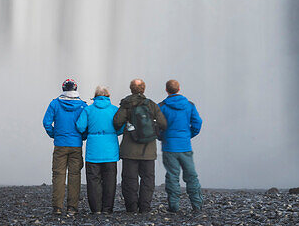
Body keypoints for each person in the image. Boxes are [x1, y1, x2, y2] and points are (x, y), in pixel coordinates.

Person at [113, 78, 167, 214]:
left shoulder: (126, 104)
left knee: (129, 180)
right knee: (148, 179)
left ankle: (131, 208)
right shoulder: (152, 105)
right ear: (143, 89)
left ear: (131, 89)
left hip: (129, 150)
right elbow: (163, 124)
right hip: (148, 151)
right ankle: (145, 208)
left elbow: (117, 122)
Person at [158, 79, 204, 213]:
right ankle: (197, 205)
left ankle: (174, 206)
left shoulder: (161, 106)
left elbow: (156, 126)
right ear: (179, 89)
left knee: (172, 175)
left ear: (166, 90)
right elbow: (198, 123)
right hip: (184, 145)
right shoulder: (189, 105)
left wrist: (162, 137)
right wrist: (188, 135)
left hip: (169, 146)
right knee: (191, 176)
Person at [43, 78, 87, 215]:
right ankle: (72, 207)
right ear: (75, 88)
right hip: (76, 145)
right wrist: (82, 137)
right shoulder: (82, 105)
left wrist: (54, 135)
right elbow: (85, 125)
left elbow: (46, 122)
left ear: (63, 89)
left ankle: (57, 207)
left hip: (60, 145)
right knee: (75, 175)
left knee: (58, 175)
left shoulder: (55, 104)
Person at [75, 86, 122, 214]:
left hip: (93, 152)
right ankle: (107, 209)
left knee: (93, 180)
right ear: (108, 96)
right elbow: (121, 127)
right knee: (110, 180)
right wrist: (112, 133)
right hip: (110, 151)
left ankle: (96, 209)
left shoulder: (88, 110)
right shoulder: (114, 110)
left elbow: (80, 127)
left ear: (95, 96)